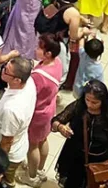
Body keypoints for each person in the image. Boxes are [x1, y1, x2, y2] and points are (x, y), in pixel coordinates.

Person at [52, 80, 108, 188]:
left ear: (103, 101)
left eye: (94, 102)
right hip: (76, 157)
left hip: (101, 161)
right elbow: (56, 120)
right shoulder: (78, 107)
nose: (89, 104)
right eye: (87, 100)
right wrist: (60, 127)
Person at [0, 57, 37, 186]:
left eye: (6, 71)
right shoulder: (29, 81)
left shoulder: (12, 110)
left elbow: (6, 142)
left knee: (6, 179)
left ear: (17, 80)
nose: (2, 70)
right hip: (20, 142)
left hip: (10, 155)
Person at [24, 35, 64, 187]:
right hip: (49, 108)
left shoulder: (38, 76)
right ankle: (40, 169)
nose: (36, 49)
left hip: (38, 113)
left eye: (39, 47)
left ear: (48, 54)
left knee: (33, 145)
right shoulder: (58, 62)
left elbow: (30, 96)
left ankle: (32, 176)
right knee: (43, 140)